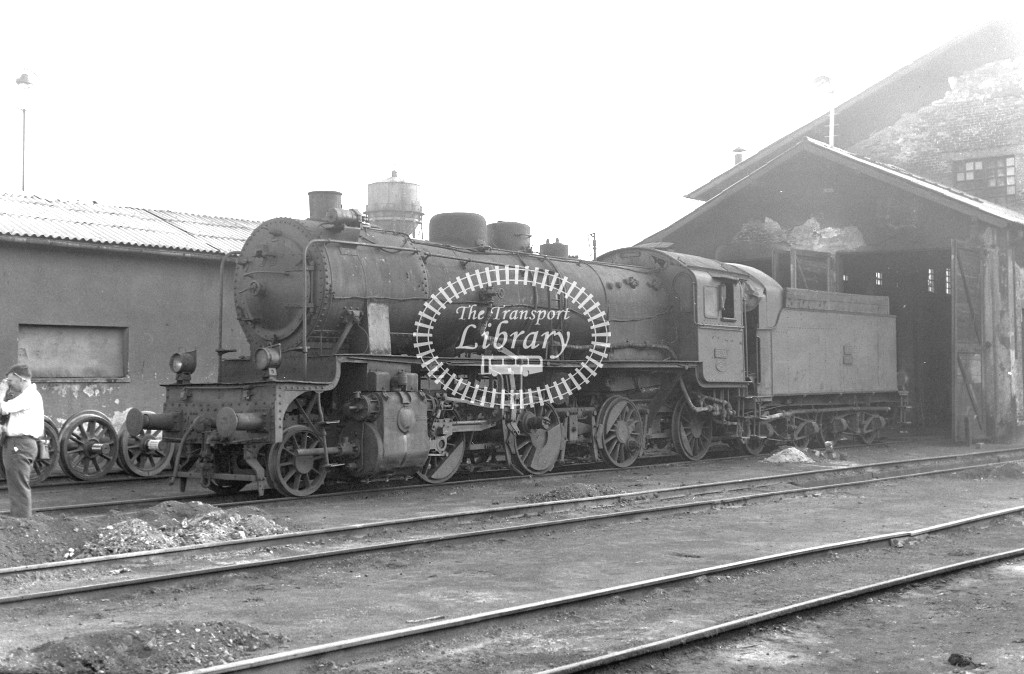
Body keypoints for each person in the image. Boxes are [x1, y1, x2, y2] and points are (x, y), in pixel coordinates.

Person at [1, 364, 44, 518]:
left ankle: (22, 521)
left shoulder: (29, 395)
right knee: (16, 484)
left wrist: (1, 391)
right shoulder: (27, 396)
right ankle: (20, 519)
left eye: (11, 381)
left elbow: (2, 408)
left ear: (21, 379)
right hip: (17, 443)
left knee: (18, 485)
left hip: (20, 444)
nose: (9, 384)